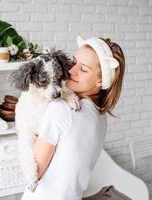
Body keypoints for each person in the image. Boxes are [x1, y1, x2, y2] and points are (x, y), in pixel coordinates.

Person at [21, 35, 125, 200]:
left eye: (83, 69)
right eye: (73, 62)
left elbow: (34, 171)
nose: (71, 71)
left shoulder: (60, 109)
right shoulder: (100, 116)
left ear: (100, 81)